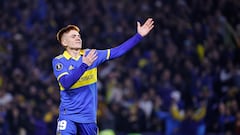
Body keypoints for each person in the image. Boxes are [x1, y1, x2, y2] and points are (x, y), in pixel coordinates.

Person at [52, 18, 154, 135]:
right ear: (64, 42)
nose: (78, 37)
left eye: (79, 35)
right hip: (68, 116)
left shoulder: (91, 54)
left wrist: (138, 36)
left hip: (88, 119)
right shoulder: (60, 61)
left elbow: (117, 52)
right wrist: (84, 65)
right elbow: (66, 82)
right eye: (73, 36)